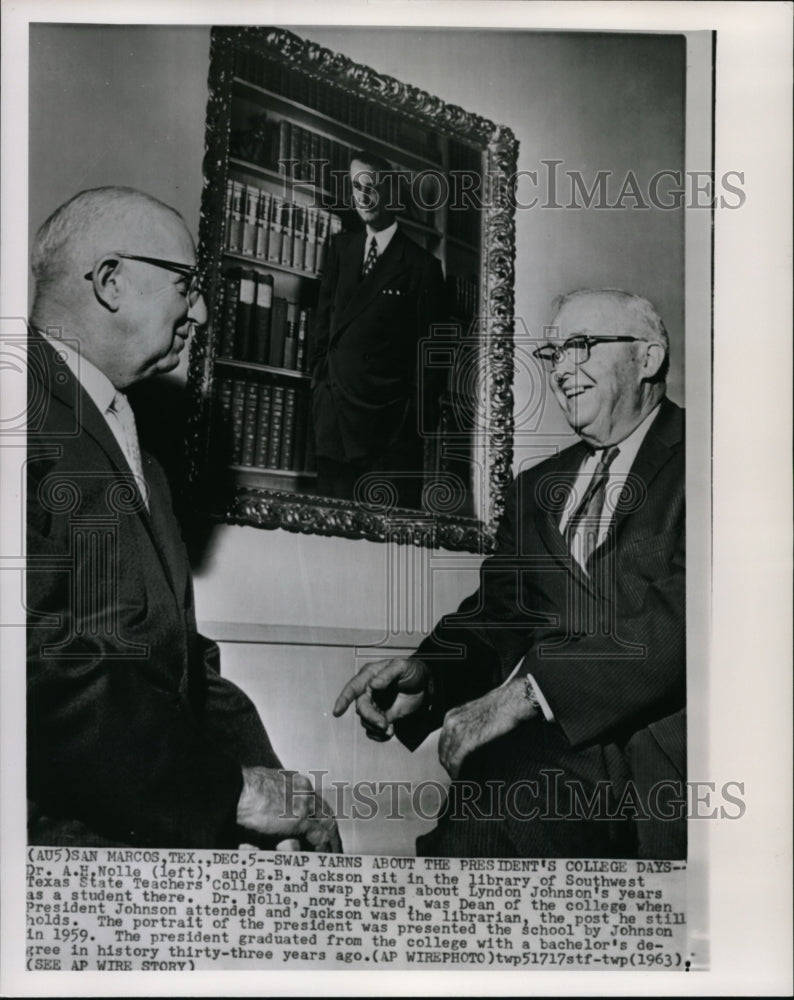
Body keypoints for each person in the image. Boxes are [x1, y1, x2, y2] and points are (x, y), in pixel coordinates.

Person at [26, 186, 340, 852]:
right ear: (111, 281)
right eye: (185, 283)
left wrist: (276, 791)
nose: (199, 309)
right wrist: (232, 794)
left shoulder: (139, 455)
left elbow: (184, 669)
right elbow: (34, 664)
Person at [334, 289, 685, 859]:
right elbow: (499, 615)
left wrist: (526, 694)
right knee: (478, 824)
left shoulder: (715, 461)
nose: (562, 371)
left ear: (648, 359)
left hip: (664, 771)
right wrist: (427, 674)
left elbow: (684, 626)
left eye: (582, 346)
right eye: (553, 354)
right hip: (550, 765)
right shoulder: (535, 487)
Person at [309, 149, 446, 505]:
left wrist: (408, 427)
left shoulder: (422, 266)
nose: (365, 196)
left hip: (387, 436)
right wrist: (319, 386)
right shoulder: (340, 248)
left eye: (375, 186)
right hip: (335, 420)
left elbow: (431, 362)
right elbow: (323, 329)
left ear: (393, 194)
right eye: (358, 186)